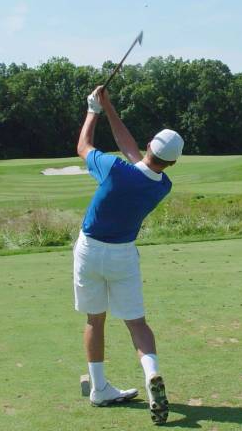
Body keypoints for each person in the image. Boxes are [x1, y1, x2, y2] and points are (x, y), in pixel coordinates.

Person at [73, 86, 183, 425]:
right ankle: (151, 373)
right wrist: (109, 107)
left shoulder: (113, 169)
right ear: (172, 161)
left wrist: (93, 111)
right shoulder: (162, 185)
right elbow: (132, 150)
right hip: (123, 256)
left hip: (89, 251)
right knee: (136, 323)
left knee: (95, 319)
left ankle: (99, 387)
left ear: (150, 146)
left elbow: (83, 147)